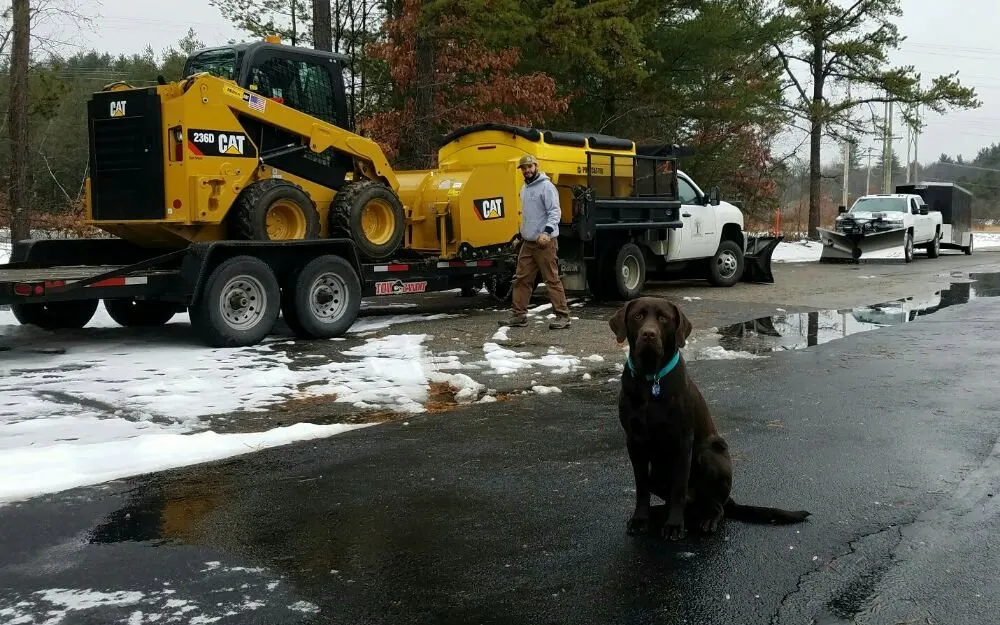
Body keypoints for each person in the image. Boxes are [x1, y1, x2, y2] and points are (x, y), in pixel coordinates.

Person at [499, 154, 571, 329]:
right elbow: (528, 216)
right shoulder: (524, 189)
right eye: (523, 168)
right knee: (521, 279)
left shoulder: (546, 187)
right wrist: (520, 235)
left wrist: (547, 232)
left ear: (536, 167)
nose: (527, 171)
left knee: (551, 279)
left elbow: (555, 212)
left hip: (544, 242)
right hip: (528, 242)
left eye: (529, 167)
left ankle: (563, 316)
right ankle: (519, 315)